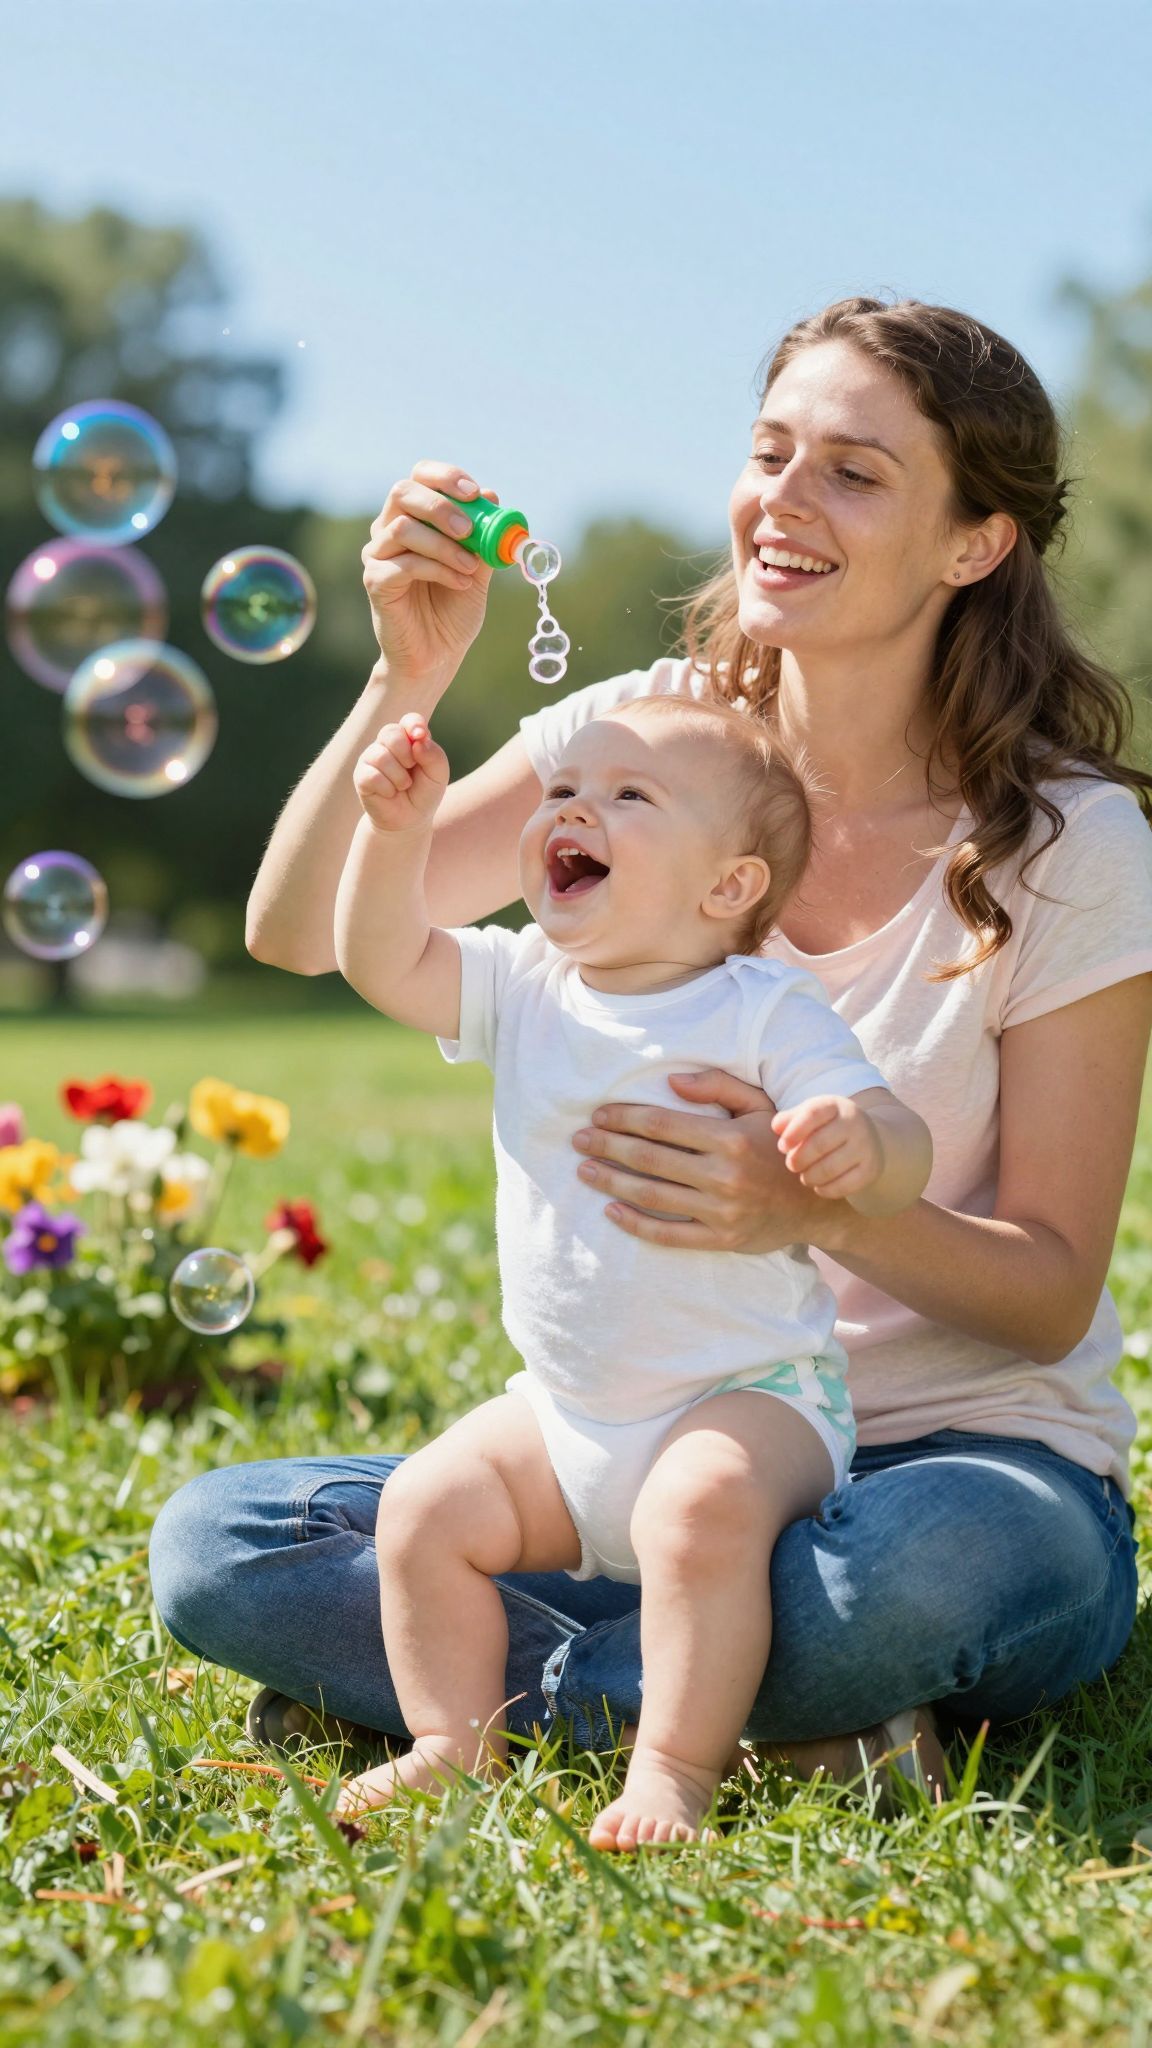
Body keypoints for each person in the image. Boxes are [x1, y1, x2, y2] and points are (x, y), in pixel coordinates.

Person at [149, 295, 1152, 1811]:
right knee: (217, 1547)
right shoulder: (640, 746)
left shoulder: (1071, 842)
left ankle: (526, 1682)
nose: (782, 502)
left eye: (855, 474)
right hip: (630, 1459)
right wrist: (403, 681)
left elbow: (1051, 1283)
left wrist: (814, 1209)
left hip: (956, 1470)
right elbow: (307, 932)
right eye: (770, 453)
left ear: (975, 544)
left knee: (929, 1585)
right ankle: (746, 1697)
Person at [328, 693, 933, 1843]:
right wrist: (393, 833)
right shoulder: (518, 985)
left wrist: (861, 1142)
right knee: (419, 1507)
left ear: (728, 887)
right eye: (564, 789)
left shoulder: (763, 1005)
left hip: (748, 1399)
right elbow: (379, 957)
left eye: (627, 794)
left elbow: (891, 1132)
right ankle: (455, 1746)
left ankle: (670, 1767)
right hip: (567, 1417)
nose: (573, 806)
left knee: (698, 1512)